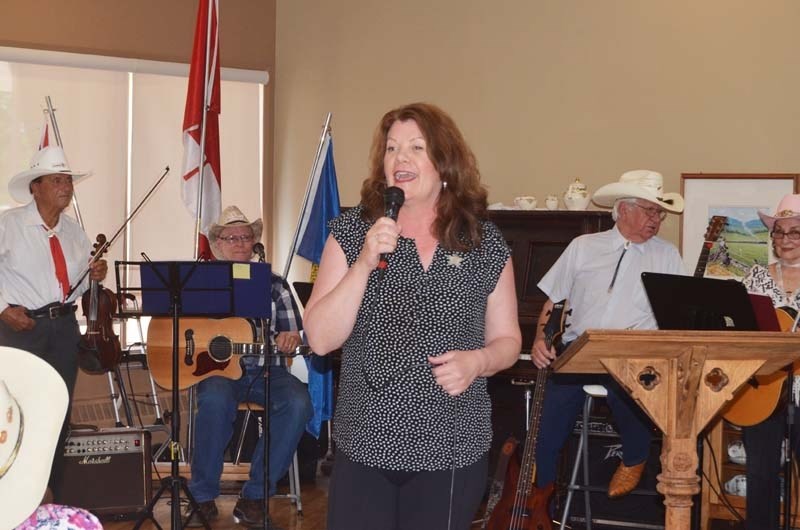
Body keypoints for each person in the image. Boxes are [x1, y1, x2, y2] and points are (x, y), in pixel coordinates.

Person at [303, 102, 522, 530]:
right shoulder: (351, 232)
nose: (399, 159)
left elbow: (509, 341)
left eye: (415, 148)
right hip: (365, 444)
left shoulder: (482, 242)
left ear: (444, 164)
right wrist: (364, 263)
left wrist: (478, 361)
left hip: (452, 447)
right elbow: (320, 338)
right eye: (391, 148)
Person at [530, 170, 685, 528]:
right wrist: (539, 339)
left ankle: (634, 455)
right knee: (550, 417)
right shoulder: (584, 247)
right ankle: (541, 504)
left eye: (659, 213)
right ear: (623, 210)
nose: (656, 220)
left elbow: (677, 315)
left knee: (626, 386)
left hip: (635, 352)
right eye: (649, 211)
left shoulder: (667, 254)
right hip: (580, 348)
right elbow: (554, 303)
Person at [185, 205, 312, 530]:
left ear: (254, 242)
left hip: (267, 371)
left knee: (298, 403)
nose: (240, 243)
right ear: (218, 243)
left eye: (246, 237)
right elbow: (184, 329)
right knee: (213, 400)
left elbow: (294, 333)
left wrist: (290, 338)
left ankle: (255, 497)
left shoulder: (275, 284)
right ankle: (201, 496)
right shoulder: (201, 283)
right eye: (232, 237)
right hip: (216, 372)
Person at [0, 146, 108, 502]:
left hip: (63, 330)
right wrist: (2, 310)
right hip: (19, 327)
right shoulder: (8, 224)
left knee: (56, 416)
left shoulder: (75, 232)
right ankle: (9, 499)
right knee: (12, 415)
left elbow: (71, 286)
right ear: (36, 186)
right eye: (57, 180)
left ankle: (48, 498)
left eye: (68, 181)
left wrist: (94, 275)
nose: (66, 186)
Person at [739, 193, 800, 530]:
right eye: (778, 232)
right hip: (762, 391)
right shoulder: (757, 277)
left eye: (794, 232)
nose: (784, 239)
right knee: (760, 475)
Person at [0, 346, 103, 530]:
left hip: (62, 327)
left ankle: (45, 492)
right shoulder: (75, 524)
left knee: (59, 440)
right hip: (23, 330)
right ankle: (37, 497)